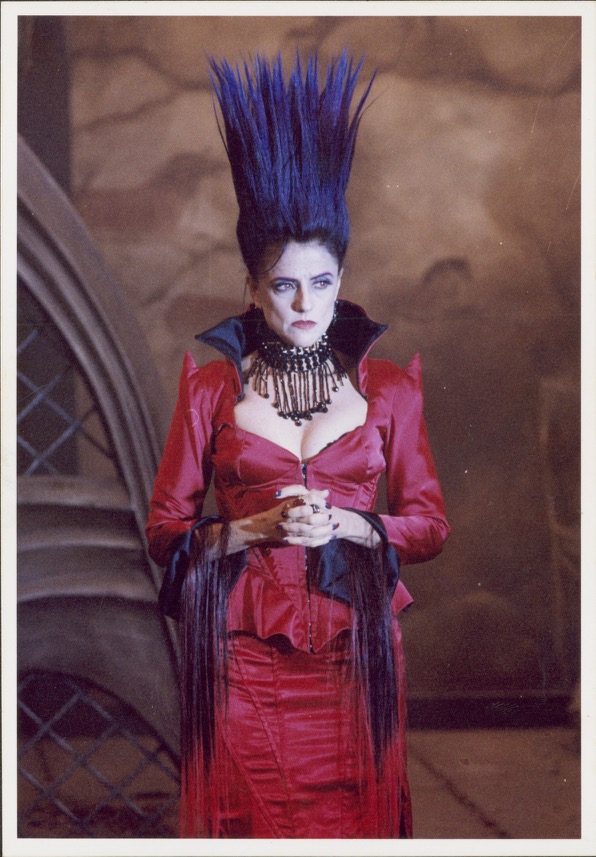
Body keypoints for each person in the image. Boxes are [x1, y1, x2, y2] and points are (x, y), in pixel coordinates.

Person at [146, 51, 450, 839]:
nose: (305, 303)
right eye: (283, 285)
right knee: (253, 825)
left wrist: (352, 524)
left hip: (357, 658)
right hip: (242, 657)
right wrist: (251, 527)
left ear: (341, 279)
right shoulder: (209, 391)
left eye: (321, 282)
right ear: (253, 290)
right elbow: (164, 532)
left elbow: (429, 526)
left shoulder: (391, 390)